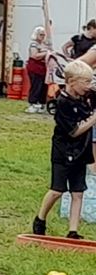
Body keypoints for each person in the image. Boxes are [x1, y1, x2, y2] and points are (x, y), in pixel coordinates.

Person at [34, 59, 96, 239]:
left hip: (80, 153)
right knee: (57, 190)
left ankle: (73, 230)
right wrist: (93, 119)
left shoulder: (86, 96)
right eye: (85, 82)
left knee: (78, 192)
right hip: (63, 151)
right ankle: (40, 218)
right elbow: (74, 131)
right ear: (71, 82)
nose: (88, 86)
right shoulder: (62, 103)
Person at [27, 26, 55, 113]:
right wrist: (46, 53)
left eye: (43, 35)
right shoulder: (33, 44)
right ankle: (33, 103)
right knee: (36, 85)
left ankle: (42, 103)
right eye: (40, 35)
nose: (42, 36)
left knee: (43, 86)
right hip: (35, 67)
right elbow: (34, 55)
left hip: (44, 68)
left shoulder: (45, 45)